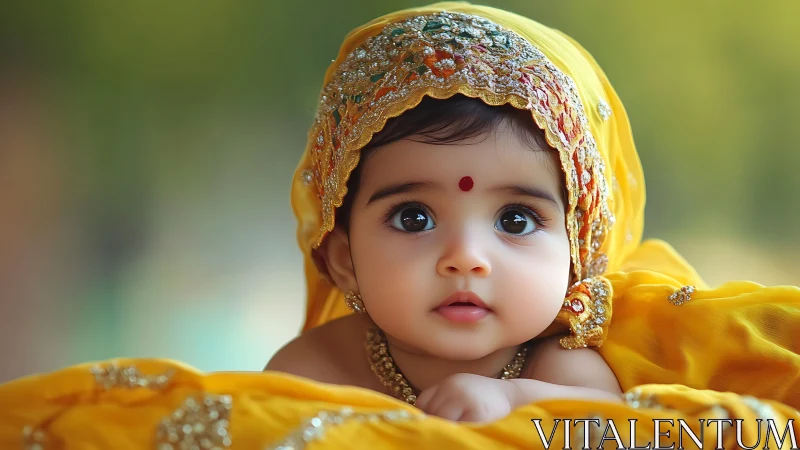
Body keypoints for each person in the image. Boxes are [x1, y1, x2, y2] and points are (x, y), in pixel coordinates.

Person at [0, 3, 798, 449]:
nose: (465, 257)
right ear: (342, 260)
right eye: (414, 217)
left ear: (579, 253)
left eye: (516, 219)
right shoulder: (316, 366)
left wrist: (515, 409)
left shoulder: (573, 368)